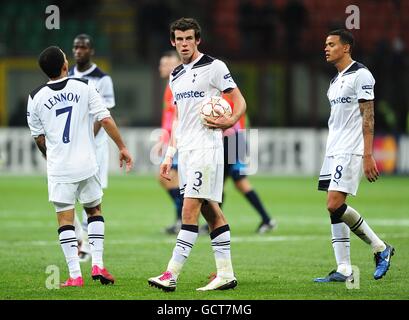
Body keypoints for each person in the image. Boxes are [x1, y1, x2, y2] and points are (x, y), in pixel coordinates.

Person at [148, 17, 246, 292]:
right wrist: (169, 156)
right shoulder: (175, 75)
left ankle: (171, 274)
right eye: (179, 39)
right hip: (187, 150)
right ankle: (226, 274)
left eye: (189, 38)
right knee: (210, 211)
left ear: (197, 40)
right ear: (173, 41)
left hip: (207, 148)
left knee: (188, 209)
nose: (184, 43)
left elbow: (239, 100)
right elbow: (179, 119)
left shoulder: (215, 67)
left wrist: (230, 121)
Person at [26, 46, 133, 287]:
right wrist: (123, 147)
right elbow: (105, 118)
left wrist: (51, 156)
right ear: (65, 66)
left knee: (65, 221)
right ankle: (98, 264)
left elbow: (38, 137)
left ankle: (75, 275)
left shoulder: (35, 97)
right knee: (94, 210)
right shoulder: (85, 87)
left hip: (60, 167)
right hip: (87, 164)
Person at [314, 30, 394, 283]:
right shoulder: (335, 81)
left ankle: (381, 248)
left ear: (346, 47)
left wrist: (367, 154)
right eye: (325, 44)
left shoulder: (361, 75)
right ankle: (344, 269)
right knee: (333, 209)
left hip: (351, 149)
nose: (326, 48)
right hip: (333, 149)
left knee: (334, 204)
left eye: (331, 44)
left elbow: (368, 115)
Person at [68, 34, 116, 262]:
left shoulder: (102, 79)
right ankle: (81, 237)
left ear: (91, 50)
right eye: (76, 47)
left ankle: (87, 244)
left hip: (94, 147)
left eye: (83, 47)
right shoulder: (67, 76)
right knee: (67, 194)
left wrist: (87, 138)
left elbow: (103, 114)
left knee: (93, 198)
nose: (78, 51)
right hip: (71, 147)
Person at [200, 95, 276, 234]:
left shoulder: (223, 95)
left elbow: (233, 121)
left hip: (232, 141)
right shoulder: (229, 94)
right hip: (234, 141)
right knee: (222, 184)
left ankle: (266, 219)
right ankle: (214, 222)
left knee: (225, 183)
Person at [157, 50, 184, 235]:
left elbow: (176, 117)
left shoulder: (177, 86)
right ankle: (182, 219)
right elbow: (169, 117)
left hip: (180, 139)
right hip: (174, 138)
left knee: (168, 178)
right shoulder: (170, 86)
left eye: (165, 64)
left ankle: (183, 219)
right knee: (170, 179)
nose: (161, 67)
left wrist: (167, 138)